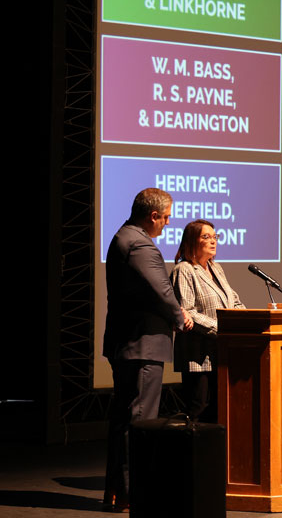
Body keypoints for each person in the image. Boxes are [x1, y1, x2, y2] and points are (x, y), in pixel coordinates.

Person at [102, 188, 193, 512]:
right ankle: (131, 494)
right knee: (139, 421)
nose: (167, 225)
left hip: (130, 344)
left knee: (125, 420)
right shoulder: (140, 243)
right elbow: (162, 291)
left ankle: (116, 492)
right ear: (153, 215)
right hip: (141, 345)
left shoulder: (123, 237)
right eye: (166, 218)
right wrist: (181, 317)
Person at [172, 219, 245, 423]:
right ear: (191, 241)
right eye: (206, 237)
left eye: (215, 237)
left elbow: (234, 301)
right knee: (199, 409)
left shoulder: (216, 268)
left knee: (218, 410)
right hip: (197, 356)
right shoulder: (184, 270)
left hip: (220, 354)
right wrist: (223, 328)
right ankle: (195, 454)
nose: (213, 241)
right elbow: (187, 311)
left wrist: (246, 319)